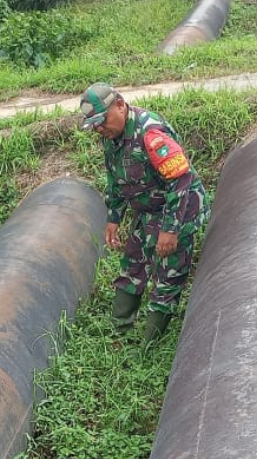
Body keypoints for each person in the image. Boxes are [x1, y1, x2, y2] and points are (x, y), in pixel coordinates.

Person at [79, 82, 209, 342]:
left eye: (102, 120)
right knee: (132, 265)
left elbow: (180, 181)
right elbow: (115, 179)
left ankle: (150, 346)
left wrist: (170, 231)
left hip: (178, 209)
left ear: (120, 105)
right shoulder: (111, 136)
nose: (99, 128)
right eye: (94, 124)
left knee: (168, 275)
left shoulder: (150, 133)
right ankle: (119, 335)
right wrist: (114, 218)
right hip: (147, 212)